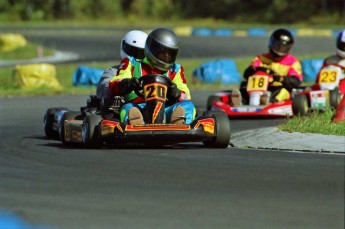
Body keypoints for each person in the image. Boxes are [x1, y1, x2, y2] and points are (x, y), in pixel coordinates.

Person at [108, 27, 195, 125]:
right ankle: (136, 122)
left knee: (188, 105)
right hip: (138, 106)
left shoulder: (175, 69)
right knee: (127, 109)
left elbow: (186, 95)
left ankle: (179, 122)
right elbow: (115, 82)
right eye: (163, 52)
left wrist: (176, 92)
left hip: (166, 109)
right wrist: (128, 83)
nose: (166, 56)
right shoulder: (132, 63)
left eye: (170, 53)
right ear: (152, 48)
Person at [235, 28, 303, 105]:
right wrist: (254, 69)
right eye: (278, 46)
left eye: (283, 47)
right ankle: (242, 99)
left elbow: (296, 81)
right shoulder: (260, 58)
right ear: (272, 43)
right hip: (256, 88)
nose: (280, 50)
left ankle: (268, 101)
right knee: (244, 85)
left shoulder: (293, 62)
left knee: (282, 91)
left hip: (276, 87)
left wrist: (281, 78)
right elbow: (246, 74)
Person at [96, 30, 148, 102]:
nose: (135, 57)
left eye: (141, 53)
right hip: (123, 109)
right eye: (133, 52)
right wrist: (124, 85)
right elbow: (102, 91)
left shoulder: (151, 72)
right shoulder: (113, 71)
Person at [311, 29, 345, 95]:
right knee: (311, 88)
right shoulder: (329, 60)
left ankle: (339, 94)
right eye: (343, 46)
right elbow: (319, 77)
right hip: (330, 85)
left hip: (342, 86)